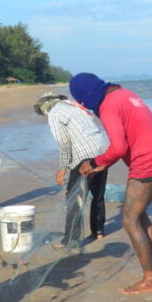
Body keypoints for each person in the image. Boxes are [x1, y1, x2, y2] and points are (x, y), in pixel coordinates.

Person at [69, 73, 152, 295]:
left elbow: (118, 147)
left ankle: (150, 280)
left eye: (82, 102)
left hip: (147, 163)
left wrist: (95, 162)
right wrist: (103, 164)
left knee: (129, 219)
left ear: (85, 96)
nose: (85, 107)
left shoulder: (108, 106)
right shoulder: (124, 94)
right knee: (139, 216)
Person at [33, 92, 109, 249]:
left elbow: (64, 143)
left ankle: (71, 240)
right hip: (103, 150)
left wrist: (63, 168)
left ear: (45, 106)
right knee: (98, 194)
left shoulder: (54, 113)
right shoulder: (74, 107)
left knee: (74, 198)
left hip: (85, 156)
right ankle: (98, 230)